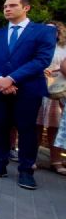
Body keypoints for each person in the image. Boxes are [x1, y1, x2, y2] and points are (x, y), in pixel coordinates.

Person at [0, 0, 56, 189]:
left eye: (12, 5)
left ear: (26, 8)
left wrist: (11, 79)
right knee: (0, 127)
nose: (7, 9)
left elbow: (41, 60)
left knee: (27, 130)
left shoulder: (42, 32)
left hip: (28, 90)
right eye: (5, 6)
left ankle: (26, 170)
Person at [36, 21, 66, 176]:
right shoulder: (37, 46)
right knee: (36, 126)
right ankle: (31, 158)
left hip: (59, 91)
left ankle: (56, 161)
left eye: (52, 30)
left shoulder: (63, 48)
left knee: (56, 128)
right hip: (39, 89)